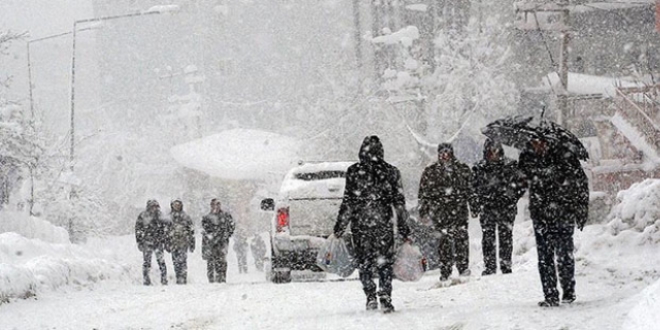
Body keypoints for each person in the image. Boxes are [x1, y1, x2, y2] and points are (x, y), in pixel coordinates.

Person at [334, 135, 411, 313]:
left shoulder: (354, 172)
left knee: (365, 263)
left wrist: (340, 226)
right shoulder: (391, 172)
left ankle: (370, 296)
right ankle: (385, 295)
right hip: (383, 224)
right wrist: (403, 228)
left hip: (361, 225)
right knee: (385, 263)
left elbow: (348, 202)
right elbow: (399, 203)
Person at [518, 137, 589, 307]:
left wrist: (581, 209)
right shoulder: (528, 159)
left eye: (540, 142)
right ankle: (550, 295)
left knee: (564, 255)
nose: (537, 145)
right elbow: (519, 183)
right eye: (534, 142)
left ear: (548, 142)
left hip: (563, 214)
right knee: (545, 258)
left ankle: (568, 292)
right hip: (540, 215)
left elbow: (580, 183)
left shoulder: (565, 157)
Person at [418, 142, 474, 282]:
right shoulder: (430, 171)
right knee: (444, 243)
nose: (444, 155)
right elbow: (424, 193)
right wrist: (423, 210)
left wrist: (474, 206)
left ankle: (463, 267)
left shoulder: (462, 169)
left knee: (461, 240)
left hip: (459, 211)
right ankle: (445, 269)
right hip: (440, 212)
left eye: (447, 152)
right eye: (442, 153)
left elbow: (471, 190)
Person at [471, 139, 526, 276]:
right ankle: (490, 266)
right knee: (488, 237)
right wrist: (476, 205)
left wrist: (512, 198)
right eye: (491, 150)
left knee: (505, 237)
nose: (493, 153)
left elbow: (521, 184)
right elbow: (473, 189)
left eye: (495, 150)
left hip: (506, 208)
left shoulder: (511, 166)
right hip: (487, 208)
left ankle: (505, 265)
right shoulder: (479, 168)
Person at [135, 200, 169, 286]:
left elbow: (166, 229)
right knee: (147, 262)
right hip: (147, 242)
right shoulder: (143, 216)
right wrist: (139, 242)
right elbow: (138, 229)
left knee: (161, 262)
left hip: (158, 242)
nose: (154, 208)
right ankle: (146, 280)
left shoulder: (161, 216)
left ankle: (164, 279)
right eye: (152, 206)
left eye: (156, 206)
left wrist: (164, 240)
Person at [202, 198, 235, 283]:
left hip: (222, 242)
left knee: (221, 260)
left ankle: (222, 277)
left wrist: (226, 234)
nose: (216, 207)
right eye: (214, 205)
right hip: (211, 242)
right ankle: (211, 279)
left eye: (217, 204)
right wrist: (210, 236)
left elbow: (231, 226)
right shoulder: (207, 217)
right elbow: (205, 230)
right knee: (210, 261)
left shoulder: (226, 216)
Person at [167, 199, 195, 284]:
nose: (176, 206)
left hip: (183, 243)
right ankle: (178, 277)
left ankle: (183, 277)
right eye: (175, 205)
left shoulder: (186, 217)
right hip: (173, 243)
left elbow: (191, 231)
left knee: (183, 261)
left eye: (178, 205)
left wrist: (192, 243)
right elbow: (165, 232)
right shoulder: (169, 217)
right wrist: (166, 243)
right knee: (175, 262)